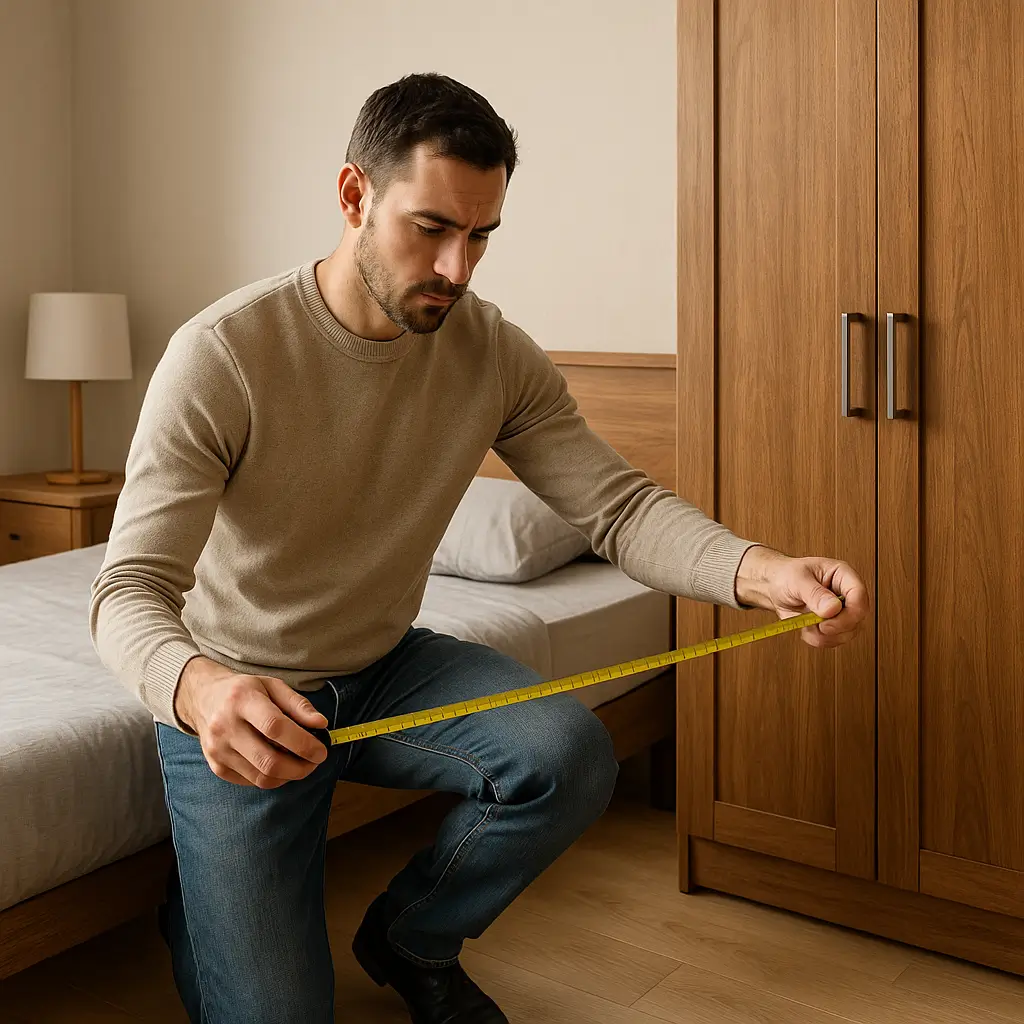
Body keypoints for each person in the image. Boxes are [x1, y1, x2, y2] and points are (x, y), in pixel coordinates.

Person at [90, 72, 868, 1024]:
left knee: (571, 752)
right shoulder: (223, 354)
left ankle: (410, 937)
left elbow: (615, 507)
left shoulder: (492, 353)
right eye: (431, 228)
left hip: (383, 670)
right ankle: (206, 909)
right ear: (353, 195)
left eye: (482, 235)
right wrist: (200, 688)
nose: (458, 268)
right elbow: (127, 587)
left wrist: (762, 571)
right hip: (242, 695)